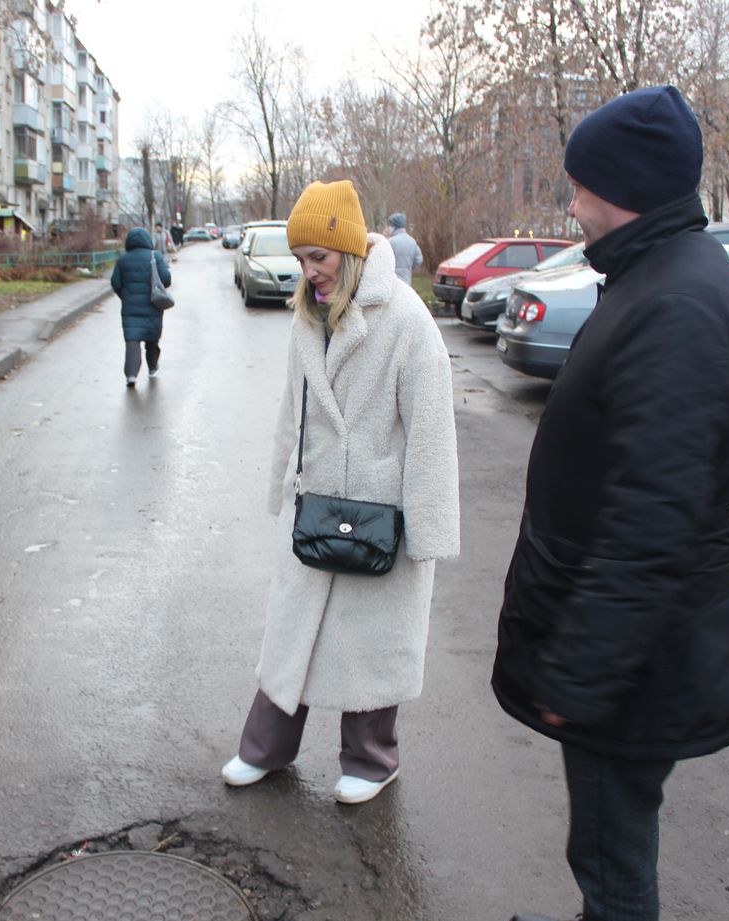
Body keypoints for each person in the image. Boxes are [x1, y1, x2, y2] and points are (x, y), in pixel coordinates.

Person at [492, 86, 729, 921]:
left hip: (635, 662)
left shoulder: (676, 303)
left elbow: (654, 516)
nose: (570, 203)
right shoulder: (653, 275)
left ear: (627, 188)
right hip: (629, 650)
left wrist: (585, 667)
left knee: (612, 859)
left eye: (579, 185)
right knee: (605, 847)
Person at [220, 179, 460, 805]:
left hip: (383, 510)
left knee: (369, 645)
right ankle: (264, 749)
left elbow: (432, 428)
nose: (308, 271)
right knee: (291, 631)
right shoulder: (307, 315)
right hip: (316, 500)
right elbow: (291, 410)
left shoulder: (407, 319)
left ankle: (373, 761)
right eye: (300, 259)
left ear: (348, 252)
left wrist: (429, 529)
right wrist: (282, 482)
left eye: (318, 257)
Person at [109, 227, 171, 388]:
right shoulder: (154, 257)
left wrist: (125, 296)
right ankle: (152, 368)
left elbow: (115, 282)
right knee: (152, 340)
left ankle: (131, 375)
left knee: (132, 340)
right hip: (153, 306)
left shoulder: (123, 260)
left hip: (130, 309)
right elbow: (166, 279)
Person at [384, 213, 423, 284]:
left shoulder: (389, 242)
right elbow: (419, 260)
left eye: (390, 225)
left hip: (392, 282)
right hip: (407, 282)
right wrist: (409, 267)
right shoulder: (412, 241)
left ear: (393, 226)